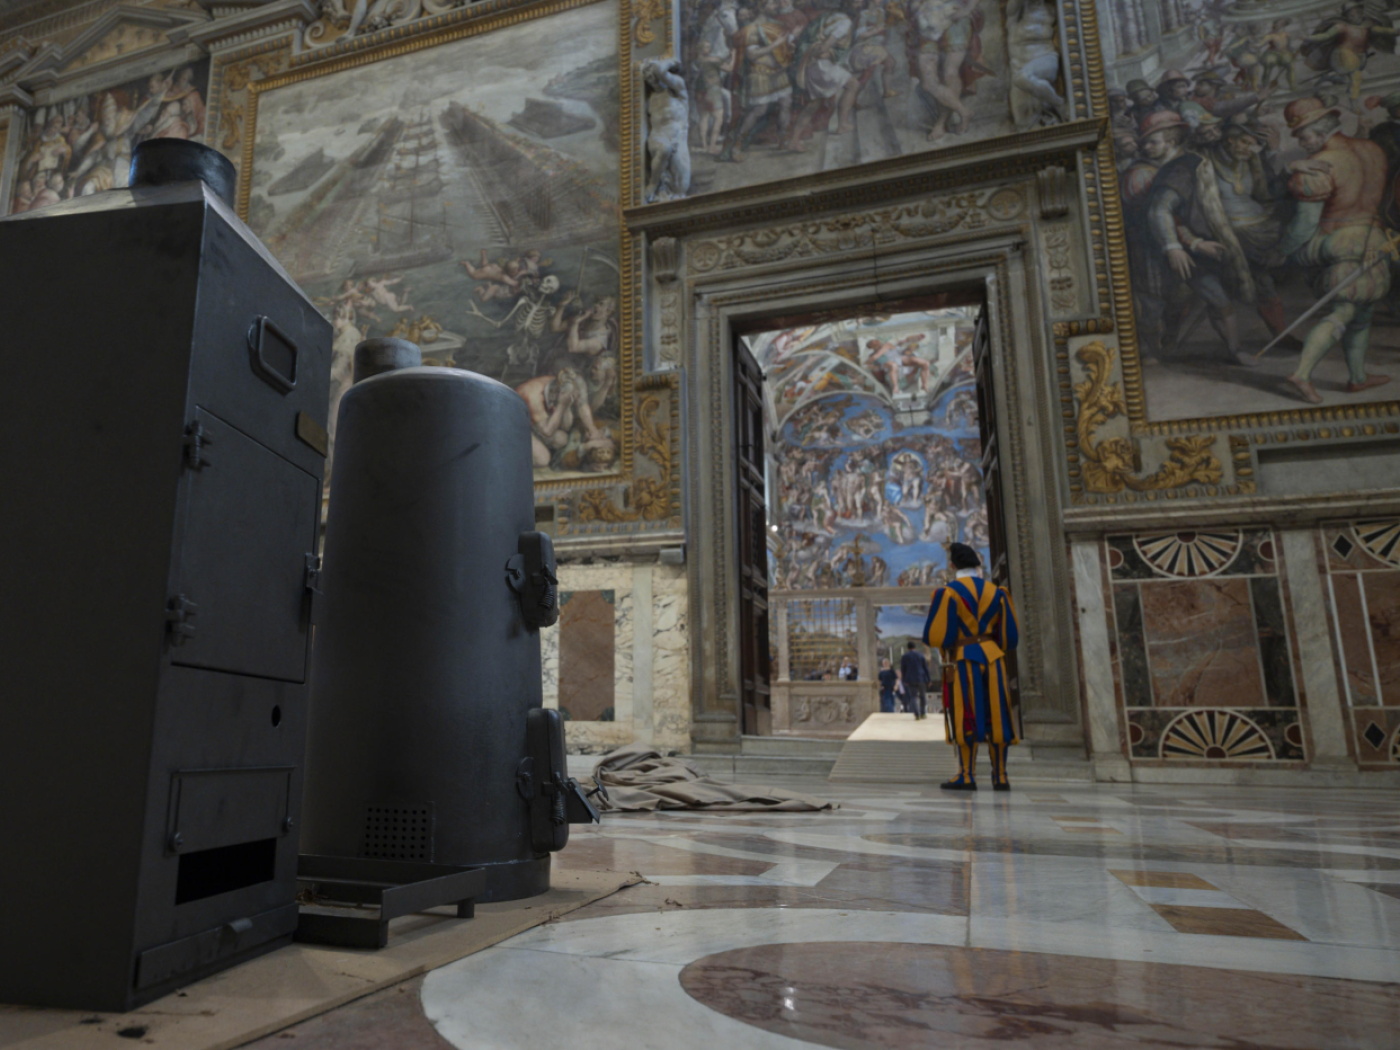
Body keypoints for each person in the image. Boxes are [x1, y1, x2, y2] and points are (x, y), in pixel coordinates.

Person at [1274, 97, 1392, 403]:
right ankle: (1351, 377)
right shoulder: (1373, 150)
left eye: (1302, 136)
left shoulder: (1317, 167)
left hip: (1338, 240)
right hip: (1372, 238)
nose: (1301, 143)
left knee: (1350, 311)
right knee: (1357, 310)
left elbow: (1304, 225)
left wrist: (1280, 252)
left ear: (1319, 129)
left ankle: (1307, 375)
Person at [925, 542, 1020, 790]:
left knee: (965, 713)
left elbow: (936, 636)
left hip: (964, 658)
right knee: (997, 714)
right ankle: (1001, 776)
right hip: (993, 658)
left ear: (952, 565)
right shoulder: (997, 592)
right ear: (977, 565)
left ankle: (966, 775)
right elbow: (1009, 636)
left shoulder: (948, 593)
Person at [899, 640, 931, 719]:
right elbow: (925, 668)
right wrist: (929, 679)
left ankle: (916, 714)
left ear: (908, 648)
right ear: (915, 647)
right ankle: (923, 713)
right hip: (921, 678)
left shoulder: (905, 656)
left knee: (913, 697)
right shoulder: (920, 655)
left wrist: (904, 680)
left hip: (910, 679)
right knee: (922, 696)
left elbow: (903, 669)